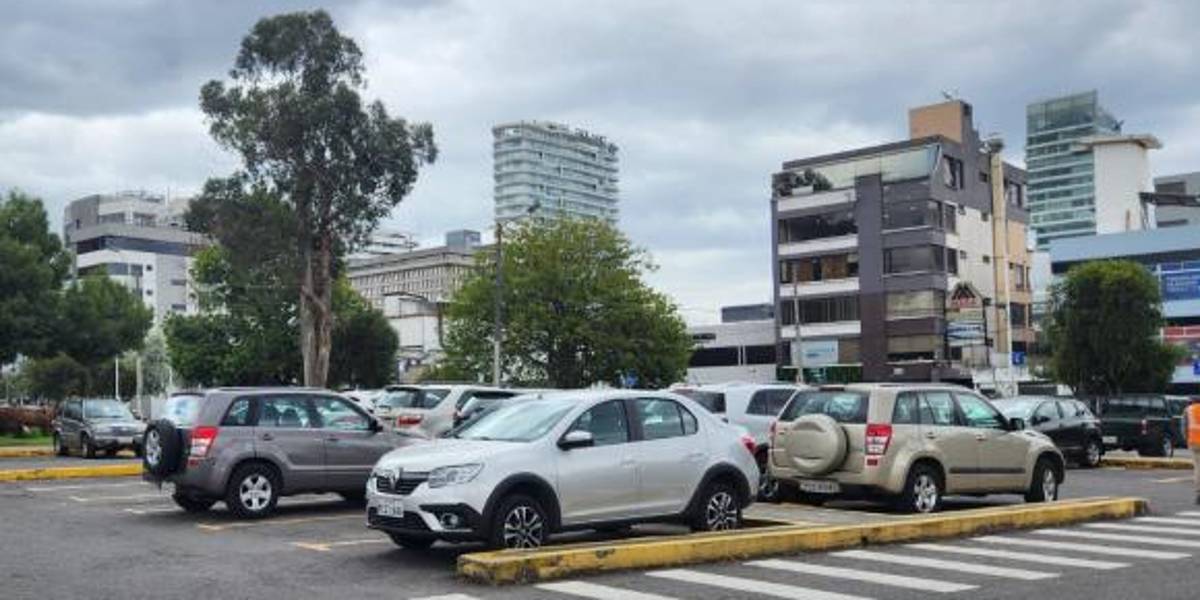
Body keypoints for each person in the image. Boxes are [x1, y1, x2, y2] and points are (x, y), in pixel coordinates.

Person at [1187, 397, 1200, 505]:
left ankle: (1199, 494)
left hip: (1193, 442)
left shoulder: (1189, 410)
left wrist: (1187, 440)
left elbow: (1183, 427)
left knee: (1197, 468)